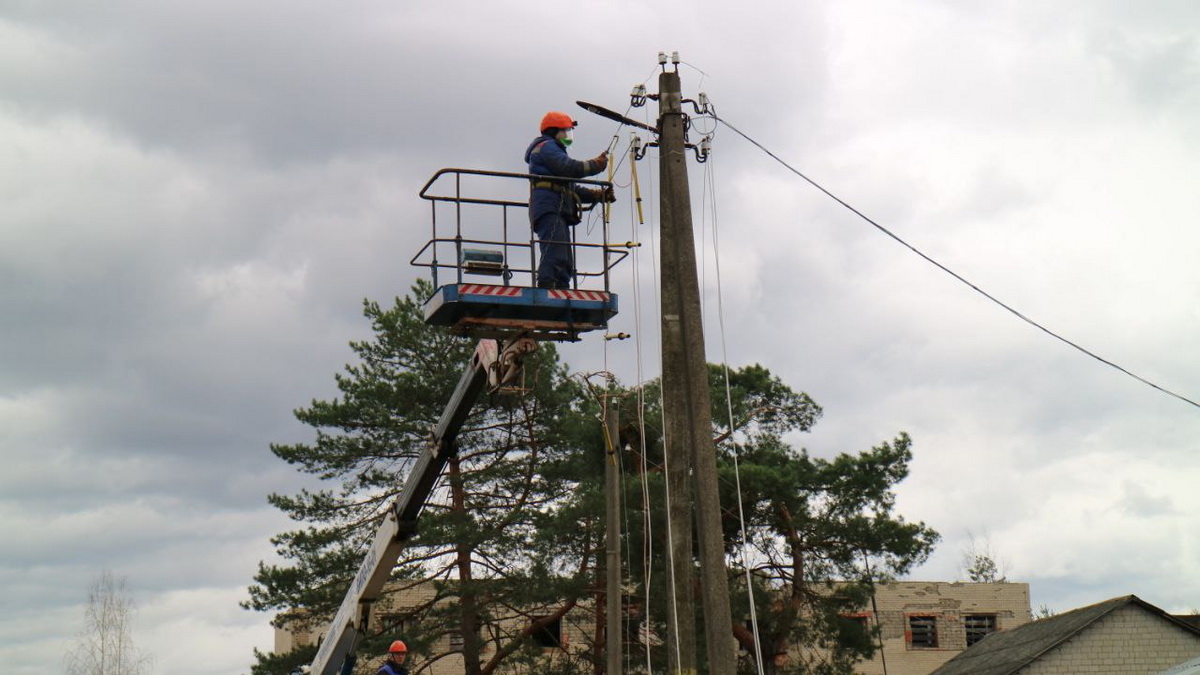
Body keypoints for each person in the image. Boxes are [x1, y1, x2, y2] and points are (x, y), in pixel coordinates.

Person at [524, 111, 615, 289]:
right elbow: (568, 168)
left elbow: (570, 188)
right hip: (548, 207)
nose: (568, 136)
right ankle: (547, 288)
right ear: (553, 131)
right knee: (555, 252)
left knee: (564, 258)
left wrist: (597, 195)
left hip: (555, 207)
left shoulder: (552, 149)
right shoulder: (547, 146)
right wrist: (595, 165)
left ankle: (561, 289)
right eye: (565, 131)